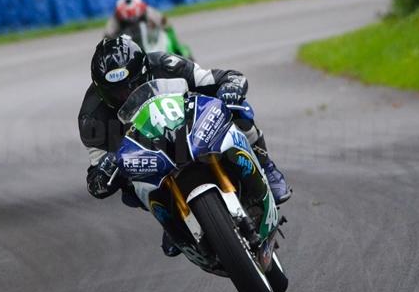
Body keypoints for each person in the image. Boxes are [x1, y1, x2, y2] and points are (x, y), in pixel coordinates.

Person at [78, 35, 292, 257]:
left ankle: (266, 165)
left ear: (144, 70)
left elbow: (219, 78)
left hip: (190, 128)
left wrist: (230, 87)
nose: (124, 95)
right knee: (128, 188)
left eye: (130, 86)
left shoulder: (165, 64)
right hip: (146, 154)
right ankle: (172, 216)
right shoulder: (91, 117)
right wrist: (103, 172)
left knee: (238, 109)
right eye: (115, 92)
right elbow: (96, 174)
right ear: (100, 89)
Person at [104, 0, 192, 58]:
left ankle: (180, 53)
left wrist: (169, 35)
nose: (133, 21)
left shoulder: (149, 11)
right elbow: (108, 36)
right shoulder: (115, 19)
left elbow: (166, 24)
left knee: (176, 45)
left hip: (151, 40)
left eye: (135, 18)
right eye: (129, 20)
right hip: (128, 45)